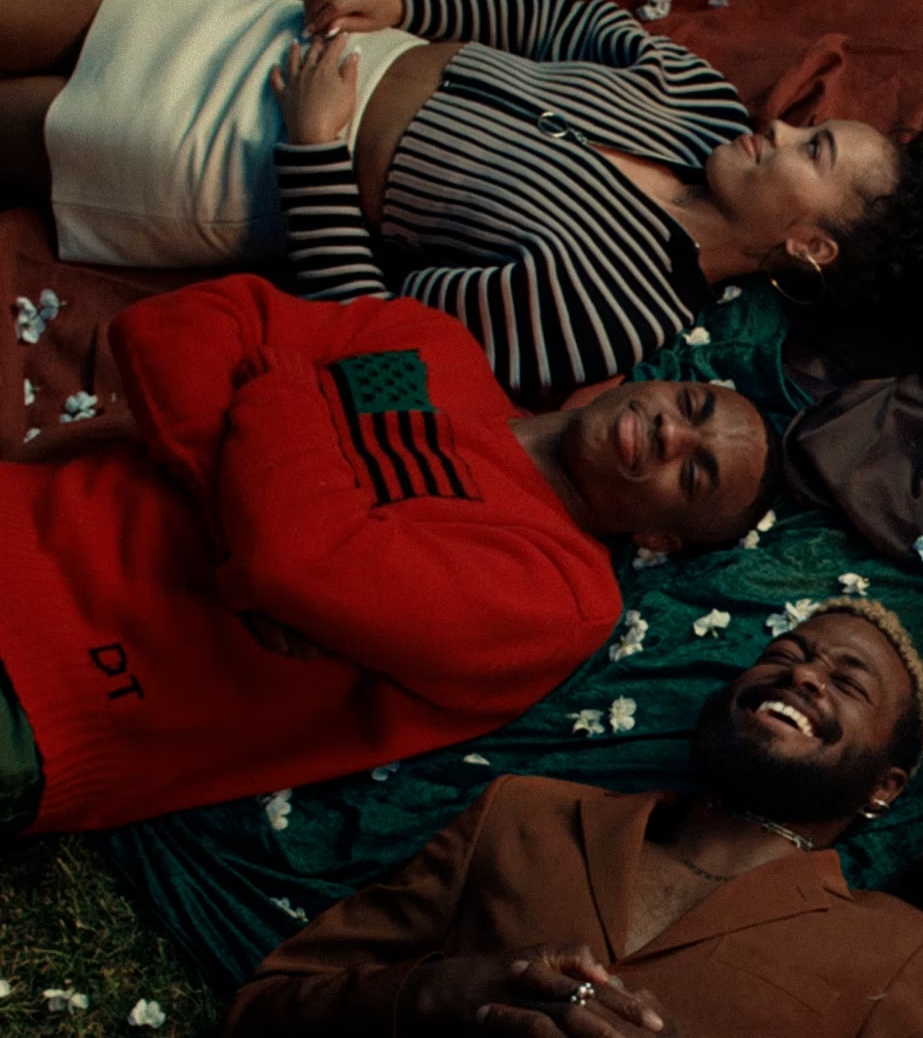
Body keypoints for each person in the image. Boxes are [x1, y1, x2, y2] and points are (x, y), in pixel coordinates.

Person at [0, 274, 777, 837]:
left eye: (694, 473)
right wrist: (233, 513)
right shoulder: (435, 343)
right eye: (692, 407)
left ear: (658, 539)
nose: (674, 432)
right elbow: (175, 324)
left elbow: (298, 560)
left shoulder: (561, 598)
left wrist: (275, 381)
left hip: (58, 691)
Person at [0, 0, 910, 396]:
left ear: (809, 245)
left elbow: (373, 331)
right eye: (809, 125)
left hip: (229, 154)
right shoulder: (702, 104)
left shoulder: (615, 308)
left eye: (813, 151)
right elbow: (557, 24)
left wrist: (313, 145)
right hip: (284, 35)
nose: (781, 126)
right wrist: (402, 2)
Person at [222, 601, 923, 1038]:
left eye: (849, 685)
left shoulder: (908, 957)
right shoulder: (525, 815)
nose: (804, 674)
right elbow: (263, 1011)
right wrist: (441, 992)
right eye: (786, 653)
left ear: (885, 788)